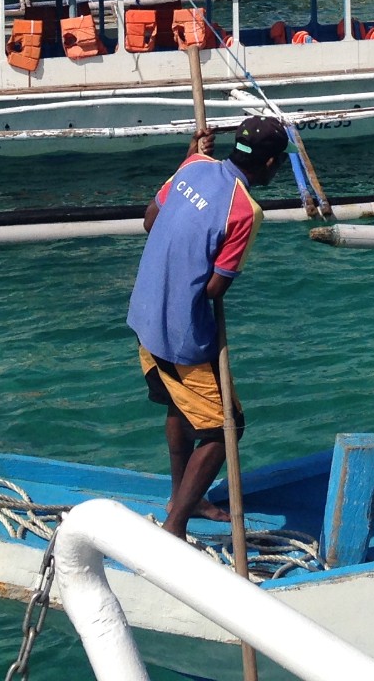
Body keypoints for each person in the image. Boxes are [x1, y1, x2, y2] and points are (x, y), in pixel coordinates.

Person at [128, 115, 290, 534]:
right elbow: (216, 288)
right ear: (271, 165)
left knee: (179, 408)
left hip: (145, 317)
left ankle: (185, 495)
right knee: (226, 428)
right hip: (182, 338)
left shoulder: (193, 167)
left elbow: (150, 219)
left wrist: (187, 157)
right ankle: (175, 526)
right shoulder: (245, 210)